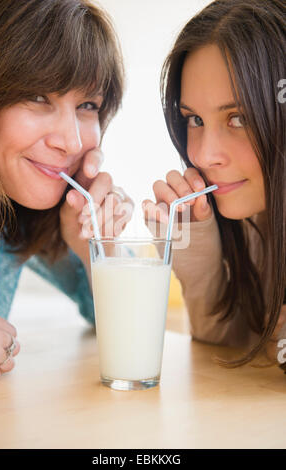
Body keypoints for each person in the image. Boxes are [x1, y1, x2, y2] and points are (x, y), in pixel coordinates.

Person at [0, 0, 133, 384]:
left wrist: (91, 244)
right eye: (38, 96)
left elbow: (126, 326)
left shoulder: (14, 216)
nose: (70, 142)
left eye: (87, 105)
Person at [143, 0, 286, 371]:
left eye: (238, 118)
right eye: (194, 120)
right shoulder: (254, 220)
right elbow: (224, 350)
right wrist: (195, 248)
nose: (205, 156)